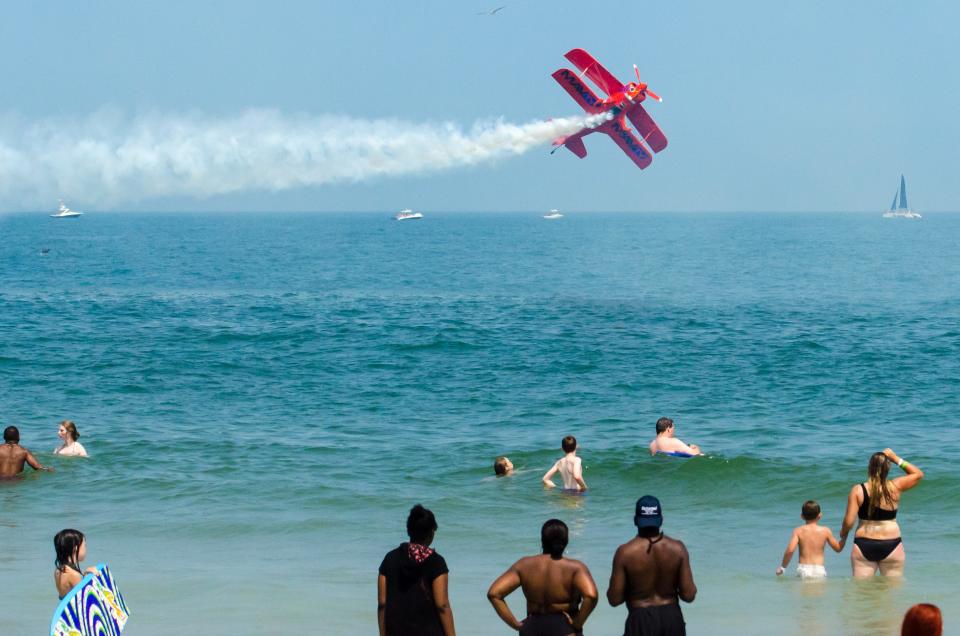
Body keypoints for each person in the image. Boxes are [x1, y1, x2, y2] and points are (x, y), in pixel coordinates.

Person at [487, 519, 599, 635]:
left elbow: (494, 593)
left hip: (532, 628)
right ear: (566, 541)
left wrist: (515, 624)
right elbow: (591, 596)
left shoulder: (524, 565)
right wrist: (577, 624)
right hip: (564, 628)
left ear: (542, 540)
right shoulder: (576, 568)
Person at [607, 496, 696, 636]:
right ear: (661, 520)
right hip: (672, 619)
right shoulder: (678, 549)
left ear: (636, 520)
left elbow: (614, 599)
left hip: (640, 620)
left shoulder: (625, 552)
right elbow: (689, 595)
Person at [840, 448, 923, 577]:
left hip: (864, 544)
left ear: (869, 467)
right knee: (892, 594)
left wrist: (843, 534)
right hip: (892, 544)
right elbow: (918, 474)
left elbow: (849, 522)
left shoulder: (858, 490)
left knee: (862, 592)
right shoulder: (895, 486)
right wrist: (896, 458)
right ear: (888, 468)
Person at [378, 504, 456, 636]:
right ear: (431, 532)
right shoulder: (436, 562)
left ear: (409, 531)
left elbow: (382, 604)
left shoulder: (389, 559)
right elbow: (442, 605)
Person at [776, 500, 844, 579]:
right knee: (818, 591)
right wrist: (845, 535)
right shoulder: (825, 531)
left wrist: (783, 568)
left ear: (802, 516)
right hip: (819, 570)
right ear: (820, 515)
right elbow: (838, 548)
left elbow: (790, 550)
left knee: (804, 591)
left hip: (803, 569)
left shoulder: (798, 531)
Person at [54, 528, 98, 599]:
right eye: (85, 545)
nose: (86, 548)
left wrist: (85, 575)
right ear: (76, 548)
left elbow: (71, 593)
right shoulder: (74, 575)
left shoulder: (59, 571)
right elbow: (85, 599)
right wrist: (94, 577)